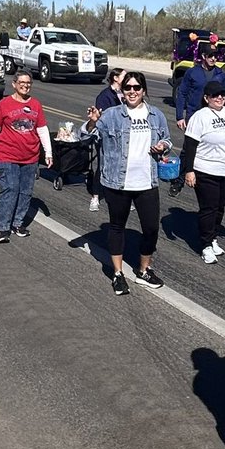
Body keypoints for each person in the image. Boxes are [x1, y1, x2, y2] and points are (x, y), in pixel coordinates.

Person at [81, 71, 172, 296]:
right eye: (128, 87)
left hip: (146, 182)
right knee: (117, 227)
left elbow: (168, 140)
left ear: (143, 91)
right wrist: (92, 123)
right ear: (122, 90)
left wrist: (162, 146)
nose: (132, 91)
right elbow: (85, 137)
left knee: (151, 229)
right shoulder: (111, 115)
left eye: (137, 88)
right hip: (117, 182)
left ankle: (143, 270)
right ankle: (118, 273)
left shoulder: (156, 115)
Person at [0, 70, 52, 242]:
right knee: (10, 190)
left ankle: (18, 223)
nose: (25, 86)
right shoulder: (5, 104)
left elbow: (42, 129)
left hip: (30, 157)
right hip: (8, 155)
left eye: (28, 83)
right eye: (22, 83)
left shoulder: (36, 104)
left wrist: (48, 152)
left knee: (25, 192)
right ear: (14, 84)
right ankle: (2, 228)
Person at [180, 81, 225, 264]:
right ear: (206, 98)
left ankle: (213, 237)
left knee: (220, 208)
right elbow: (190, 146)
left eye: (222, 95)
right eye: (215, 95)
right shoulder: (199, 117)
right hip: (205, 170)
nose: (220, 98)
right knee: (208, 208)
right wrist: (189, 171)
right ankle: (205, 245)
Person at [87, 67, 125, 212]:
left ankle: (121, 196)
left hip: (122, 138)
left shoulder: (124, 94)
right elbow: (102, 118)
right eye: (124, 76)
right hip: (106, 138)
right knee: (103, 166)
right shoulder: (105, 95)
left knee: (121, 167)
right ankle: (95, 197)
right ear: (116, 78)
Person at [175, 44, 225, 131]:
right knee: (193, 143)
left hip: (215, 118)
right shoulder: (192, 72)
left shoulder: (221, 75)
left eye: (215, 56)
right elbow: (182, 93)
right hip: (194, 115)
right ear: (203, 56)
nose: (213, 59)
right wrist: (179, 117)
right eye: (210, 56)